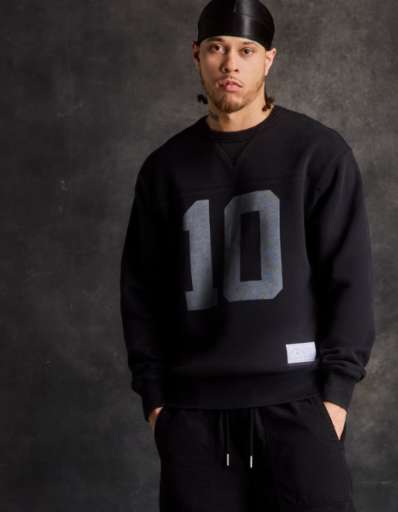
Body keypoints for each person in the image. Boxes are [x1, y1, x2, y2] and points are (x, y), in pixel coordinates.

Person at [120, 0, 376, 510]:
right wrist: (156, 403)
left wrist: (334, 398)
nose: (230, 64)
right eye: (217, 48)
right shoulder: (164, 169)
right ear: (197, 55)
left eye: (246, 50)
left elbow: (349, 281)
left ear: (269, 60)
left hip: (297, 407)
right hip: (194, 414)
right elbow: (141, 292)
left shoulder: (318, 154)